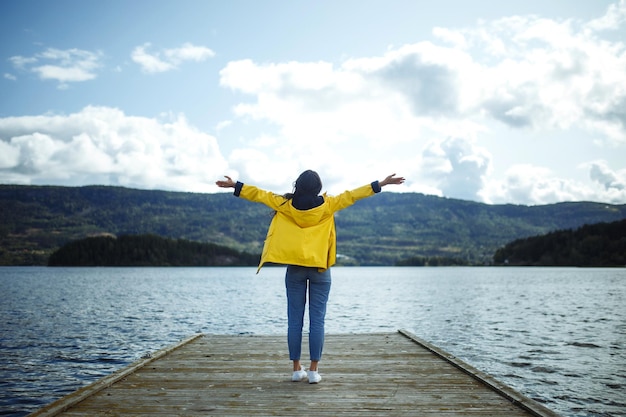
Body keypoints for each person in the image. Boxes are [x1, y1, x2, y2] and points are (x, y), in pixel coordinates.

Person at [215, 170, 405, 384]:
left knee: (294, 321)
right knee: (317, 321)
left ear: (298, 186)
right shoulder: (329, 204)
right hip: (320, 270)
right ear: (317, 187)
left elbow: (260, 194)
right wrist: (382, 183)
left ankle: (297, 369)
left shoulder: (284, 204)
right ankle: (313, 371)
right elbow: (354, 195)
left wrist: (235, 185)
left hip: (295, 268)